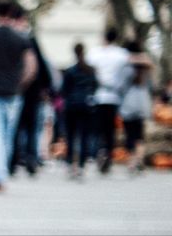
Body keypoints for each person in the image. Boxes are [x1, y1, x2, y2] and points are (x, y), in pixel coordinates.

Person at [0, 0, 36, 192]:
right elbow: (31, 66)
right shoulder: (21, 38)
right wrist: (21, 84)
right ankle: (1, 173)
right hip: (12, 93)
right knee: (7, 136)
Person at [10, 16, 56, 176]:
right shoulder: (28, 40)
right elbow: (40, 67)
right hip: (28, 92)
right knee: (29, 127)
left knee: (18, 127)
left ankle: (16, 160)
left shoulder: (22, 40)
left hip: (19, 91)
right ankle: (29, 159)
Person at [87, 28, 131, 174]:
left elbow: (89, 69)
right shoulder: (121, 55)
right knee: (110, 130)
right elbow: (128, 70)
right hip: (114, 96)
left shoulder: (94, 53)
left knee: (98, 129)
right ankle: (109, 155)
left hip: (98, 96)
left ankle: (99, 151)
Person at [59, 43, 98, 179]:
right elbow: (95, 87)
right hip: (86, 106)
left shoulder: (70, 71)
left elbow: (63, 90)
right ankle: (81, 165)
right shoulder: (91, 70)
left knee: (71, 136)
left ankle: (70, 164)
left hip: (71, 106)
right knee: (84, 136)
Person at [119, 40, 155, 174]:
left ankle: (132, 161)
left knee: (129, 133)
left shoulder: (127, 66)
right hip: (142, 101)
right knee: (140, 134)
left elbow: (121, 85)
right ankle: (138, 159)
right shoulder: (146, 67)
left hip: (129, 101)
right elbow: (151, 85)